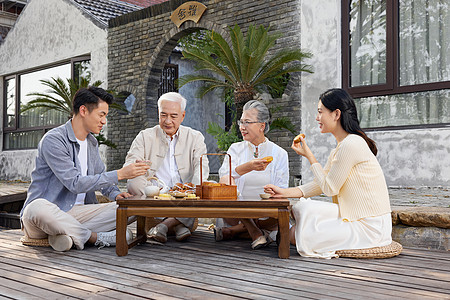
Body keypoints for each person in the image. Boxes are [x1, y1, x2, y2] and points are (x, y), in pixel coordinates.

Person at [264, 88, 392, 258]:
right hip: (354, 216)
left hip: (369, 227)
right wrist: (284, 192)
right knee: (300, 209)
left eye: (320, 112)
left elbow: (329, 188)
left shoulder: (351, 144)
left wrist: (309, 156)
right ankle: (280, 233)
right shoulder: (343, 146)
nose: (317, 118)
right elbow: (320, 184)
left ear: (336, 114)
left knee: (295, 232)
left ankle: (276, 234)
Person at [20, 86, 151, 252]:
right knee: (37, 208)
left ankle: (65, 235)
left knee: (137, 204)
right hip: (45, 216)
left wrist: (116, 194)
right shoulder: (54, 140)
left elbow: (101, 178)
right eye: (101, 115)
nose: (104, 121)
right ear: (83, 110)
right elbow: (75, 183)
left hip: (79, 215)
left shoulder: (91, 143)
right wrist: (120, 174)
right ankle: (94, 237)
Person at [124, 92, 209, 242]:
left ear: (183, 116)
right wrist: (136, 166)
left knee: (206, 185)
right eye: (163, 115)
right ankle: (179, 224)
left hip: (184, 193)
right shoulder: (145, 136)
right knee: (133, 182)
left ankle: (164, 225)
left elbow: (202, 166)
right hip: (155, 194)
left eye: (173, 116)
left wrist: (192, 189)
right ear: (158, 113)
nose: (168, 121)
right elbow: (130, 163)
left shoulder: (195, 137)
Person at [215, 100, 289, 249]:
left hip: (267, 215)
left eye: (247, 122)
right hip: (236, 213)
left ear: (262, 126)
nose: (242, 127)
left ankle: (233, 232)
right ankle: (253, 230)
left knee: (282, 206)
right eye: (241, 122)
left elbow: (282, 188)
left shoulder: (279, 153)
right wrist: (247, 167)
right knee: (227, 181)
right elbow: (224, 178)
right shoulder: (235, 149)